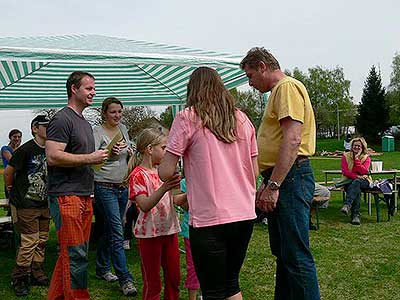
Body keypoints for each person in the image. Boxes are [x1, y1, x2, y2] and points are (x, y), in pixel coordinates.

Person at [159, 67, 258, 300]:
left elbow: (165, 171)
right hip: (243, 213)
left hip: (209, 217)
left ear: (192, 90)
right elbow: (253, 171)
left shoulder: (187, 118)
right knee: (231, 284)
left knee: (212, 291)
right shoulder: (243, 119)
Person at [240, 47, 320, 300]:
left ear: (263, 66)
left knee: (295, 254)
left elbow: (293, 139)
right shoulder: (278, 92)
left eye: (251, 75)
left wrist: (274, 185)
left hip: (290, 177)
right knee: (285, 254)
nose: (250, 83)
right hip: (283, 176)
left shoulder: (286, 87)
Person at [45, 71, 109, 300]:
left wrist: (105, 155)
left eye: (94, 88)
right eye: (89, 88)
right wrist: (91, 158)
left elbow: (85, 158)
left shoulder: (83, 122)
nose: (94, 92)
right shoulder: (62, 119)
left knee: (71, 254)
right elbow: (53, 156)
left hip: (84, 194)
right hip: (66, 196)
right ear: (74, 89)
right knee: (76, 255)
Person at [128, 127, 184, 300]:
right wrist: (164, 187)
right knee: (153, 284)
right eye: (164, 148)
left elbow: (172, 200)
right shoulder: (137, 175)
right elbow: (144, 205)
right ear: (150, 149)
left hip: (169, 231)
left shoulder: (163, 172)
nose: (167, 152)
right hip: (148, 235)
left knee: (174, 279)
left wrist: (191, 193)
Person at [92, 97, 137, 295]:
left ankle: (102, 268)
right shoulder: (96, 132)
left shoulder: (124, 129)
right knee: (118, 231)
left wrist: (129, 149)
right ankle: (125, 279)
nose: (117, 115)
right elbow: (92, 160)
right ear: (104, 113)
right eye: (113, 112)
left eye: (119, 111)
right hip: (104, 186)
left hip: (122, 186)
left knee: (110, 229)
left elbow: (127, 154)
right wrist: (109, 153)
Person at [4, 116, 50, 297]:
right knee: (29, 241)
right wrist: (10, 189)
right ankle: (20, 277)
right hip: (26, 203)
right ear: (35, 128)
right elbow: (8, 172)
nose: (48, 129)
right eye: (45, 126)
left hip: (44, 203)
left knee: (42, 240)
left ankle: (37, 272)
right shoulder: (25, 149)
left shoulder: (52, 148)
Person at [178, 178, 201, 300]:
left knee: (210, 265)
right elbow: (186, 206)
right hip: (191, 231)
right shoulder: (184, 182)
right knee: (193, 267)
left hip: (211, 229)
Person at [340, 137, 371, 225]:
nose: (356, 147)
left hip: (364, 181)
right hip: (349, 181)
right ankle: (355, 216)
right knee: (356, 187)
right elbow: (345, 171)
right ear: (351, 146)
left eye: (358, 146)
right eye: (354, 145)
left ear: (362, 147)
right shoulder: (345, 156)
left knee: (356, 183)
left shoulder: (366, 158)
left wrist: (357, 159)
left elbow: (364, 171)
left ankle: (347, 205)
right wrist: (357, 176)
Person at [2, 129, 22, 198]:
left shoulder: (22, 149)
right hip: (10, 179)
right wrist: (17, 148)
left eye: (19, 137)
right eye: (15, 137)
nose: (17, 139)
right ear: (10, 138)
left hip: (20, 180)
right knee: (11, 202)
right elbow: (13, 161)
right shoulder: (5, 149)